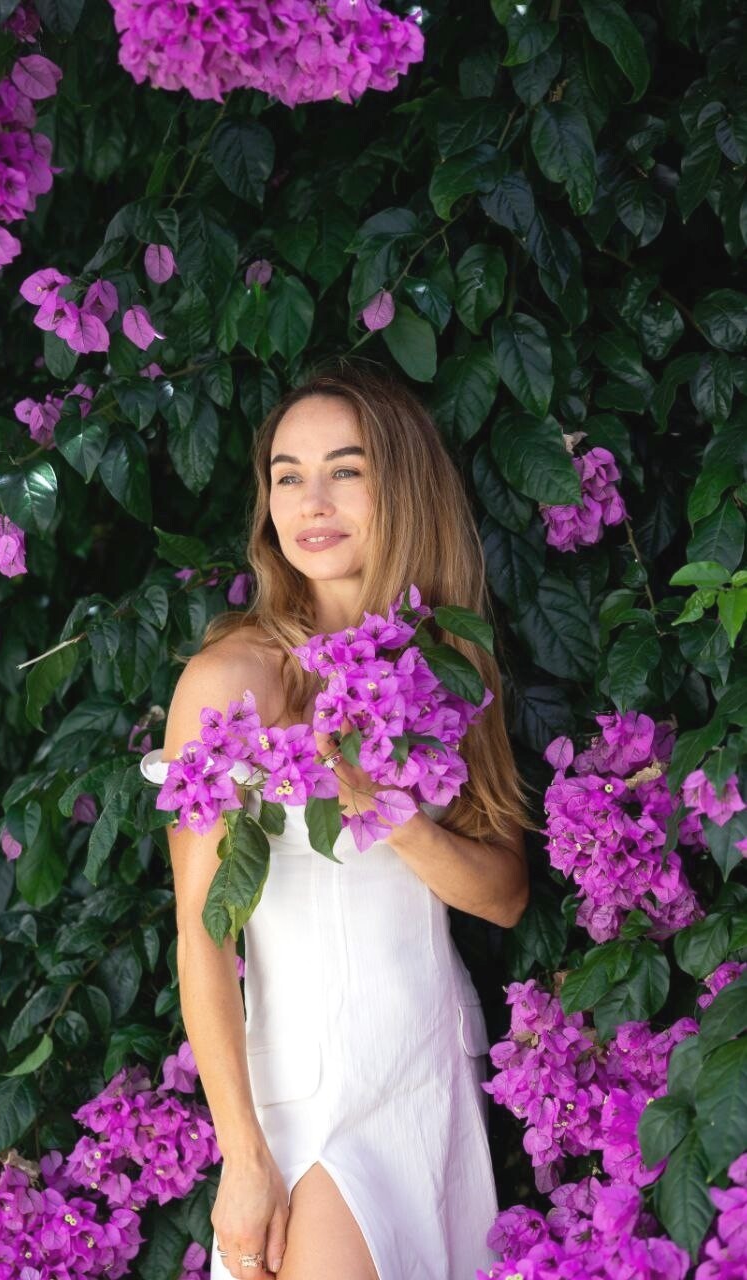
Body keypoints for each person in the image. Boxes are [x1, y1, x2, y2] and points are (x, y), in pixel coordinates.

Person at [140, 359, 536, 1280]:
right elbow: (203, 936)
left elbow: (506, 895)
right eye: (288, 477)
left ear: (401, 486)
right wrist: (244, 1158)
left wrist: (396, 817)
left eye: (345, 471)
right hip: (306, 1103)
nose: (311, 503)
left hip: (428, 1077)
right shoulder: (229, 681)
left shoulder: (447, 663)